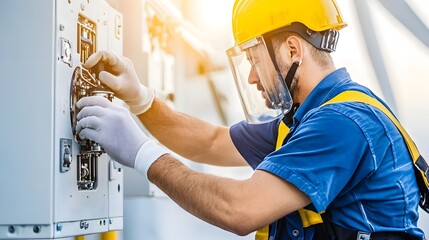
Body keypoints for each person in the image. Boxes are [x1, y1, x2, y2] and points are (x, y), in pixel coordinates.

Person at [75, 0, 427, 239]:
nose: (252, 78)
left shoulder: (341, 124)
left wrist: (141, 154)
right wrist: (141, 98)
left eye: (254, 59)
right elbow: (211, 143)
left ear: (293, 49)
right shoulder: (308, 119)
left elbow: (239, 210)